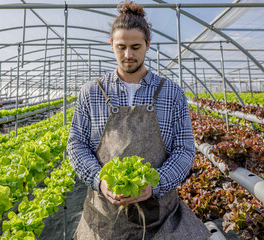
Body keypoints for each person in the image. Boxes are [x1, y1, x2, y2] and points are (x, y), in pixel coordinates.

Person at [67, 1, 211, 239]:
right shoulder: (92, 92)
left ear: (148, 45)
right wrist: (100, 180)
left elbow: (184, 150)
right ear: (112, 45)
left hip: (160, 218)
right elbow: (76, 144)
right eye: (121, 47)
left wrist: (155, 185)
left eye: (135, 47)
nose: (128, 55)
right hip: (103, 220)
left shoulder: (171, 93)